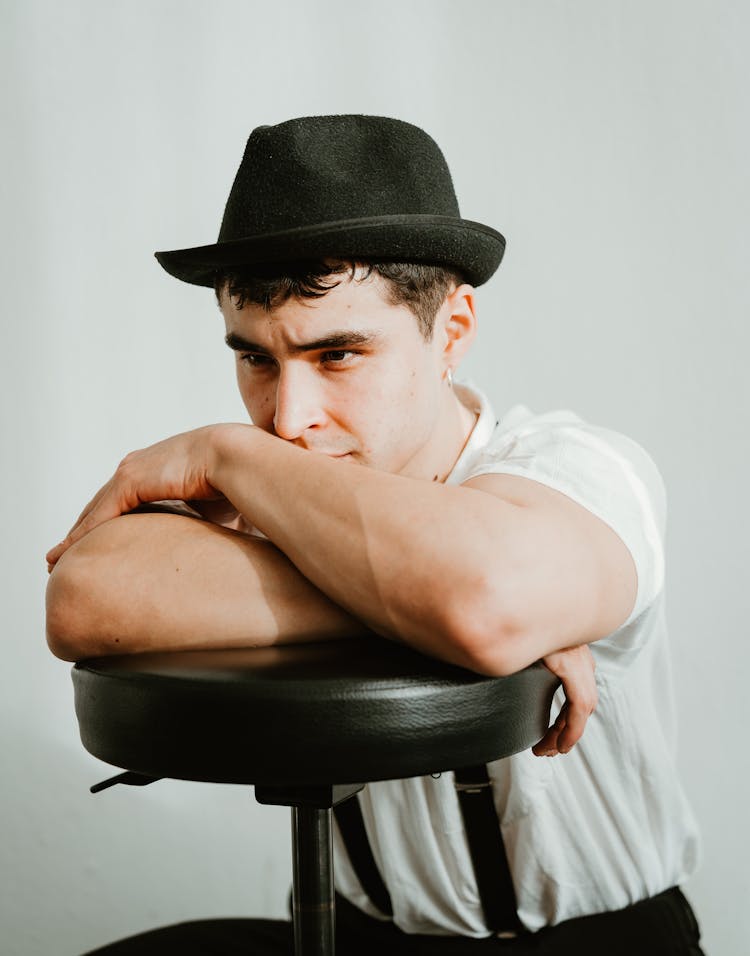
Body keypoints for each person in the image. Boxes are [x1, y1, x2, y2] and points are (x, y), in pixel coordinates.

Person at [45, 115, 703, 954]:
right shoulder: (282, 487)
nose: (289, 420)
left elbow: (485, 597)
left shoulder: (582, 469)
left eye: (340, 355)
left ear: (451, 332)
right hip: (357, 938)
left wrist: (225, 451)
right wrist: (427, 612)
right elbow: (85, 599)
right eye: (255, 359)